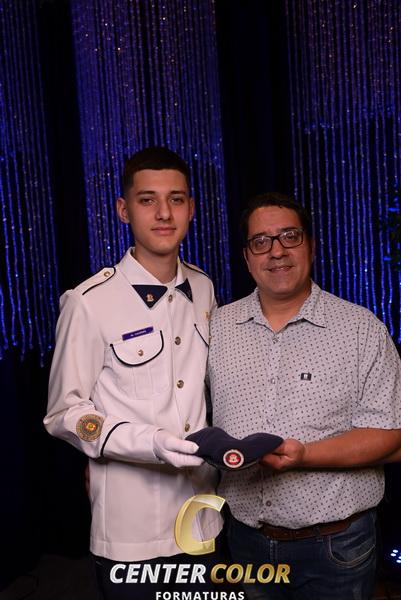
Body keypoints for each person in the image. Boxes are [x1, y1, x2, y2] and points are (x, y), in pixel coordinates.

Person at [44, 147, 222, 599]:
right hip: (132, 533)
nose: (164, 213)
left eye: (176, 199)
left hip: (203, 518)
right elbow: (65, 414)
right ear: (124, 210)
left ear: (191, 208)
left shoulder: (203, 287)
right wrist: (148, 443)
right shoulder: (88, 302)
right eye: (147, 200)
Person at [207, 192, 401, 600]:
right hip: (245, 542)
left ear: (311, 246)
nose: (276, 251)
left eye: (289, 236)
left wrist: (305, 455)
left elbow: (391, 436)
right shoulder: (216, 328)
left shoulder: (361, 329)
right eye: (261, 241)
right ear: (247, 258)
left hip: (336, 547)